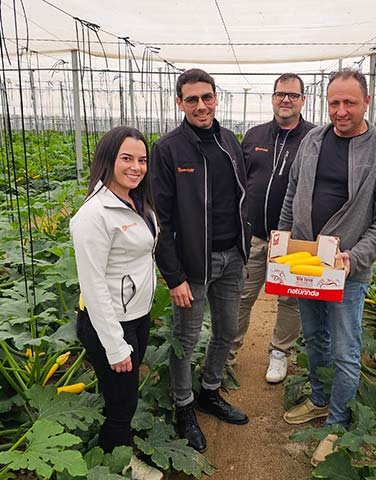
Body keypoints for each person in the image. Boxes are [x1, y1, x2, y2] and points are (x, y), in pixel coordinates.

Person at [278, 69, 376, 466]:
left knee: (347, 349)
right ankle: (319, 398)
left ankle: (336, 423)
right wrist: (284, 239)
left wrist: (357, 257)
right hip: (305, 263)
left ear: (367, 101)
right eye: (334, 102)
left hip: (346, 270)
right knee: (314, 339)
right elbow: (293, 194)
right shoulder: (313, 140)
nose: (341, 110)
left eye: (349, 102)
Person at [150, 68, 251, 453]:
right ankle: (183, 405)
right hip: (192, 265)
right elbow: (161, 219)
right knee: (185, 338)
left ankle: (209, 390)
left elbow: (238, 197)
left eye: (206, 97)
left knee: (226, 331)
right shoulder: (167, 149)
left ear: (216, 98)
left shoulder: (229, 141)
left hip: (232, 258)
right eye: (191, 99)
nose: (200, 105)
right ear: (179, 102)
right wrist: (173, 277)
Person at [71, 126, 163, 480]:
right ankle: (116, 463)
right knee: (122, 403)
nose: (136, 167)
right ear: (108, 160)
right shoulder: (93, 215)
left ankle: (118, 446)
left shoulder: (136, 201)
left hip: (136, 315)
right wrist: (114, 345)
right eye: (127, 158)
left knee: (122, 395)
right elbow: (93, 286)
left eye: (141, 160)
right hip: (108, 324)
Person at [230, 73, 315, 383]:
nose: (286, 100)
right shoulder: (254, 136)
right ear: (272, 98)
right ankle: (229, 350)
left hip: (293, 240)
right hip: (253, 234)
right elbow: (237, 182)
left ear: (303, 100)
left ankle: (280, 352)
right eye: (281, 94)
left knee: (289, 300)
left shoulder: (315, 139)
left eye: (293, 95)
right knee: (241, 295)